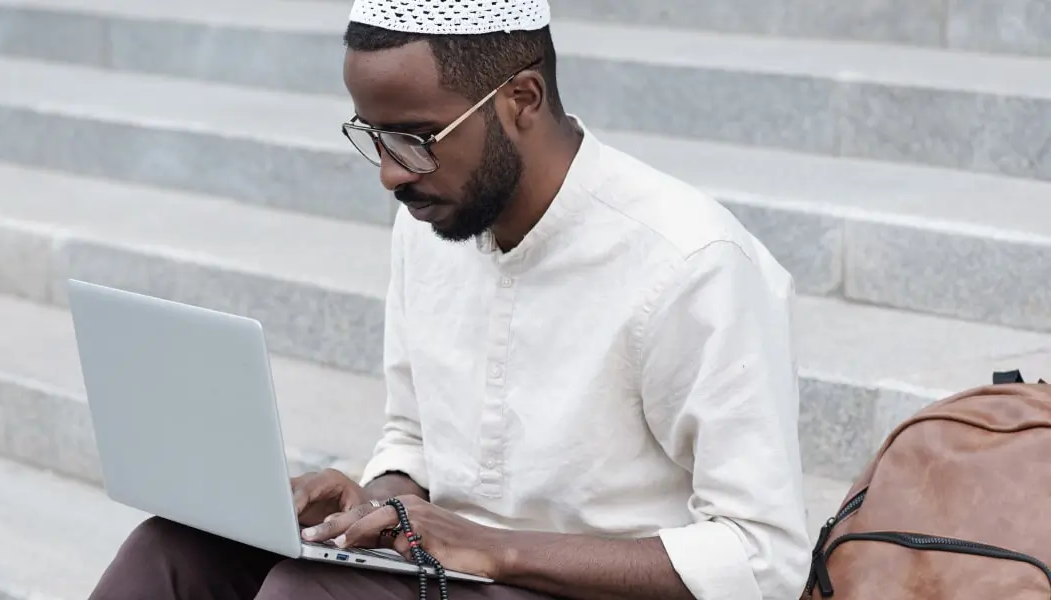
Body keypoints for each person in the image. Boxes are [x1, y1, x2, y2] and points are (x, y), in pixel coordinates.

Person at [88, 0, 812, 598]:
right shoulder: (436, 217)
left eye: (417, 138)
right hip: (448, 568)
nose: (392, 176)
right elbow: (411, 435)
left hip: (582, 589)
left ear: (521, 99)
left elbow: (762, 558)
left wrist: (493, 548)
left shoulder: (690, 262)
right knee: (171, 555)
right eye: (375, 138)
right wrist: (377, 500)